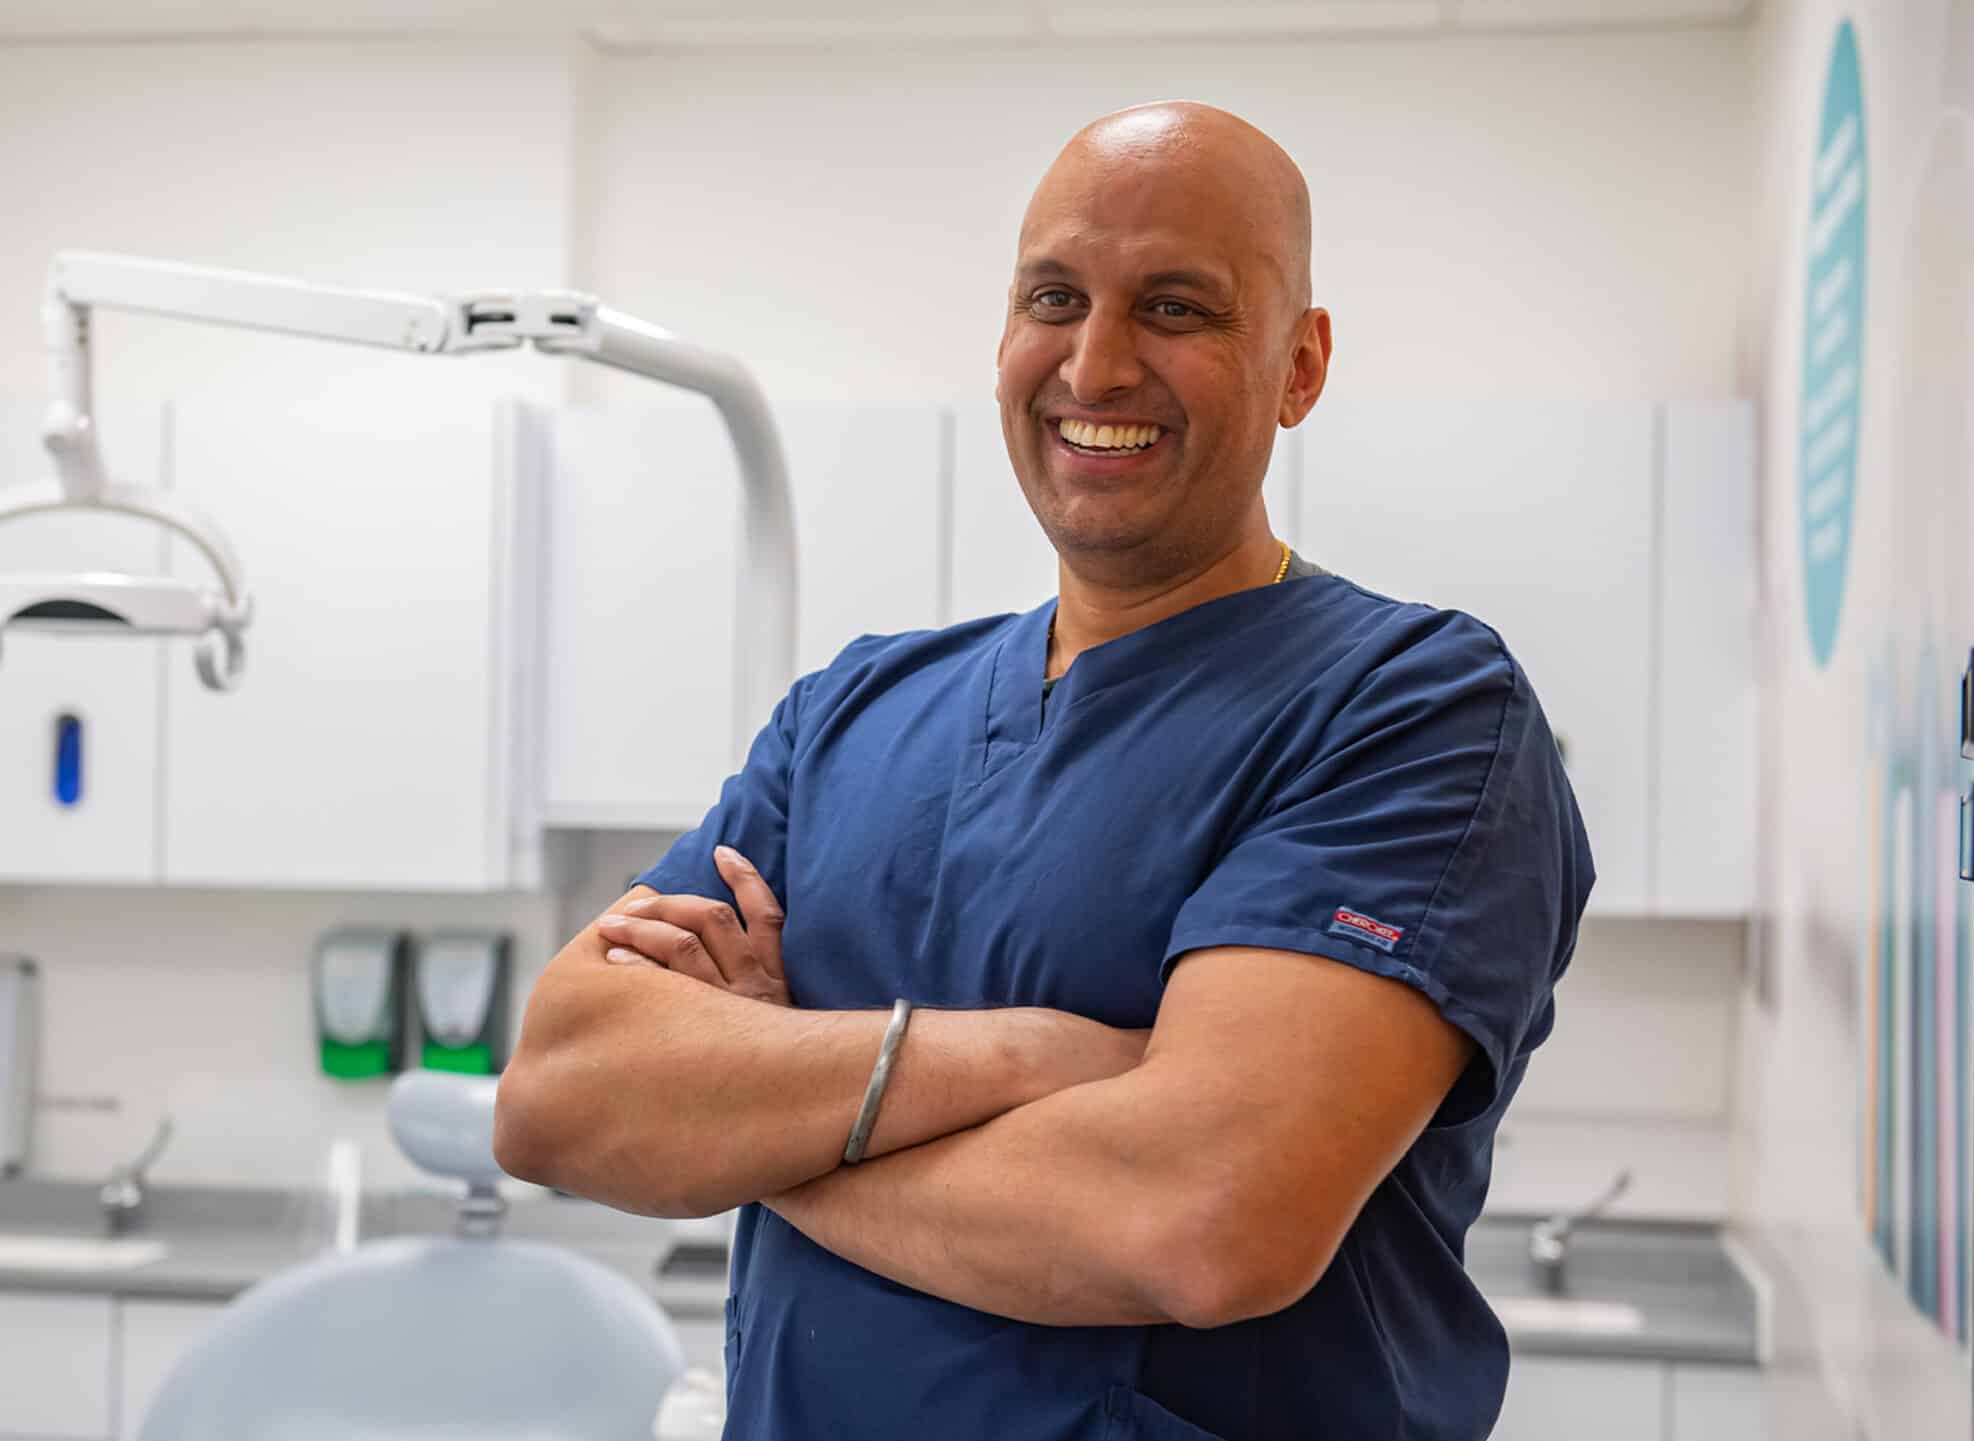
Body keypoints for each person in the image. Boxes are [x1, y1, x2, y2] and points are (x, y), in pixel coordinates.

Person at [494, 99, 1593, 1441]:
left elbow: (1201, 1220)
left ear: (1299, 367)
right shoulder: (853, 714)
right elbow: (556, 1093)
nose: (1097, 363)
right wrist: (1030, 1057)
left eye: (1176, 307)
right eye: (1054, 296)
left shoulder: (1410, 709)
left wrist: (752, 1125)